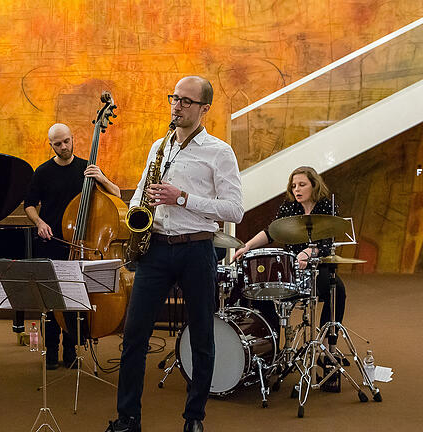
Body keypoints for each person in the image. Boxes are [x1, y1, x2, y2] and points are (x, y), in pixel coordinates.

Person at [105, 76, 243, 432]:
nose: (176, 106)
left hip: (197, 249)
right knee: (134, 336)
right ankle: (127, 418)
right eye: (174, 98)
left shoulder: (219, 151)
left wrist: (182, 198)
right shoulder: (159, 146)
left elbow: (234, 211)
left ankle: (194, 418)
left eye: (185, 101)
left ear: (204, 109)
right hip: (156, 248)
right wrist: (135, 209)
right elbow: (140, 191)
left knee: (201, 337)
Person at [23, 122, 121, 369]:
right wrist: (39, 222)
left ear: (72, 139)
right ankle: (51, 351)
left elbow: (117, 194)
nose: (64, 147)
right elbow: (29, 204)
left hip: (84, 245)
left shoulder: (86, 168)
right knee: (52, 300)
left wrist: (102, 177)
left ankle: (70, 351)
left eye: (67, 141)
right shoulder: (43, 172)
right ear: (51, 145)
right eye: (58, 143)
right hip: (53, 242)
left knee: (73, 300)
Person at [232, 166, 346, 333]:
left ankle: (328, 342)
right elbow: (271, 232)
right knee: (262, 289)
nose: (297, 189)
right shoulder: (289, 206)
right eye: (293, 186)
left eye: (302, 184)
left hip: (318, 266)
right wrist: (247, 246)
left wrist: (308, 253)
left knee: (337, 291)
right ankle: (272, 340)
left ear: (314, 185)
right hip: (291, 266)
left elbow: (327, 243)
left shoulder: (327, 206)